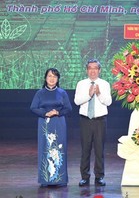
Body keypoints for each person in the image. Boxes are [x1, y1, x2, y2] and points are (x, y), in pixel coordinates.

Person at [30, 68, 72, 187]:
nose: (52, 79)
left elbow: (69, 109)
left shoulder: (62, 93)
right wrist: (45, 113)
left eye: (54, 76)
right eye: (49, 76)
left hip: (59, 123)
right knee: (45, 148)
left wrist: (58, 113)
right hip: (45, 122)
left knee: (59, 149)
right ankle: (45, 179)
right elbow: (33, 108)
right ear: (45, 78)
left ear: (58, 79)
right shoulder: (40, 93)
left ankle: (60, 179)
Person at [74, 59, 112, 187]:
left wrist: (99, 93)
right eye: (90, 68)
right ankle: (84, 177)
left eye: (95, 68)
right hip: (85, 120)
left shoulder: (105, 84)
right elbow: (77, 101)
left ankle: (99, 177)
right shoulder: (81, 84)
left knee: (99, 150)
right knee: (85, 149)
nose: (93, 70)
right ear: (87, 70)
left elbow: (108, 102)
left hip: (100, 120)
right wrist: (89, 95)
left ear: (99, 70)